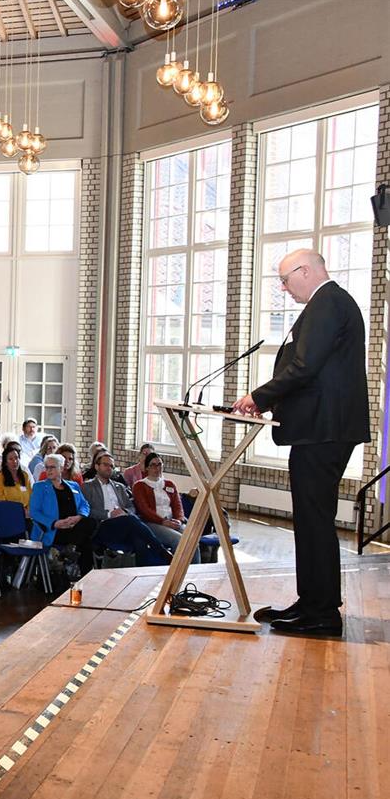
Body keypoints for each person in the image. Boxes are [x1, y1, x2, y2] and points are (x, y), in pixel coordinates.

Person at [232, 250, 369, 636]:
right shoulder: (329, 303)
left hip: (324, 430)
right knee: (311, 521)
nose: (283, 287)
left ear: (305, 271)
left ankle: (323, 613)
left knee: (315, 521)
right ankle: (311, 602)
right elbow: (315, 369)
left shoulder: (329, 302)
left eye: (285, 279)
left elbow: (305, 366)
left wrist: (259, 397)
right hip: (321, 429)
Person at [82, 454, 173, 567]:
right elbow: (86, 510)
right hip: (103, 525)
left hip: (124, 525)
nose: (109, 468)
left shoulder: (119, 487)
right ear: (96, 466)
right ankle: (161, 551)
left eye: (112, 466)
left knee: (139, 540)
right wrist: (109, 514)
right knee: (130, 520)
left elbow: (131, 507)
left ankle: (140, 575)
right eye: (105, 465)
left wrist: (124, 511)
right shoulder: (87, 486)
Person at [29, 454, 95, 579]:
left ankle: (70, 551)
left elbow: (84, 504)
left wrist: (78, 517)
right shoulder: (40, 487)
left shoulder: (73, 486)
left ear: (61, 468)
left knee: (90, 522)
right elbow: (34, 512)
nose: (48, 470)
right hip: (53, 530)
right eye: (46, 467)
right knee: (86, 543)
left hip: (73, 527)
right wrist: (55, 523)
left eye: (52, 467)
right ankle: (85, 576)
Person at [131, 453, 198, 564]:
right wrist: (163, 521)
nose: (157, 468)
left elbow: (178, 505)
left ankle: (194, 572)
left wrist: (179, 520)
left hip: (172, 521)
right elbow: (145, 509)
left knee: (193, 539)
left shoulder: (169, 484)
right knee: (179, 540)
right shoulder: (139, 486)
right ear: (147, 467)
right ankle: (176, 575)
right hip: (153, 523)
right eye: (153, 465)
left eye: (159, 464)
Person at [0, 441, 32, 514]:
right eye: (11, 459)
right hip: (7, 513)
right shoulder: (0, 477)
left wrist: (28, 511)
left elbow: (31, 497)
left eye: (16, 458)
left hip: (26, 514)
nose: (15, 461)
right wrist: (18, 512)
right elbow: (0, 501)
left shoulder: (25, 475)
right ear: (5, 462)